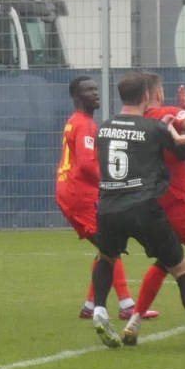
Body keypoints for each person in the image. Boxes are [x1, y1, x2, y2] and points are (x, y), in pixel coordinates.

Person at [88, 72, 185, 350]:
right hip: (143, 207)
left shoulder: (104, 128)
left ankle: (99, 309)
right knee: (180, 268)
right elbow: (182, 154)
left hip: (109, 206)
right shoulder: (153, 127)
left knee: (106, 258)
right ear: (147, 96)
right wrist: (169, 130)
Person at [132, 73, 185, 347]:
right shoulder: (167, 113)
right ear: (156, 94)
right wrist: (182, 135)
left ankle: (135, 320)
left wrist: (182, 116)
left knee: (167, 262)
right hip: (181, 207)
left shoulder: (133, 123)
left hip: (150, 208)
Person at [57, 75, 135, 321]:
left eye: (96, 89)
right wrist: (110, 183)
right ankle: (127, 304)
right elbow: (87, 164)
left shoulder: (76, 122)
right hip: (80, 194)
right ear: (76, 96)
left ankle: (91, 305)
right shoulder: (85, 125)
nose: (96, 93)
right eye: (89, 90)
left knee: (106, 248)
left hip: (71, 191)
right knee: (111, 246)